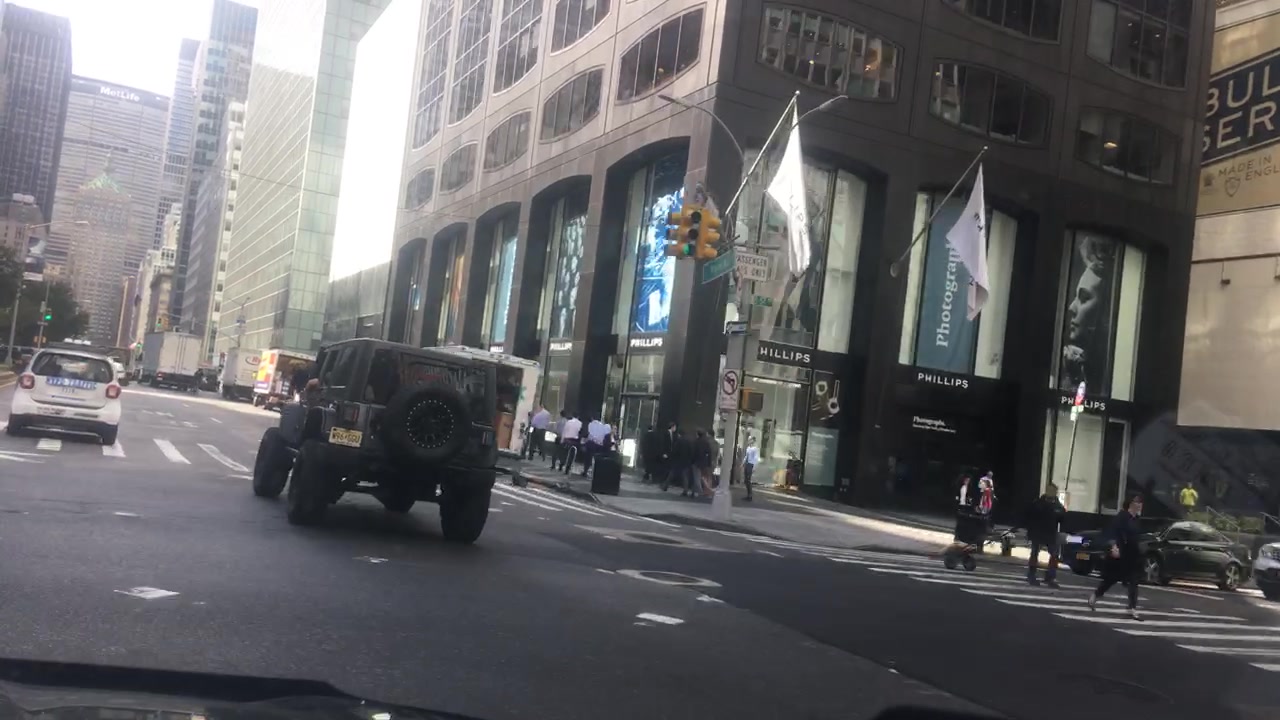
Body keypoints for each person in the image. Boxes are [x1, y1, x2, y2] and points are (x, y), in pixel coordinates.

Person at [1089, 494, 1145, 620]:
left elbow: (1137, 536)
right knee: (1111, 579)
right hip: (1120, 554)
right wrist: (1114, 546)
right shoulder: (1122, 517)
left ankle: (1132, 608)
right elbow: (1112, 532)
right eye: (1137, 502)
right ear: (1130, 504)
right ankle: (1096, 595)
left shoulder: (1137, 519)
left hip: (1132, 556)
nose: (1140, 505)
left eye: (1141, 502)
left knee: (1133, 581)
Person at [1024, 483, 1065, 587]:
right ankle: (1031, 575)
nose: (1051, 493)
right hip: (1037, 532)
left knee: (1054, 555)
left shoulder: (1058, 506)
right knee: (1034, 553)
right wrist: (1029, 532)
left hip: (1051, 534)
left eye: (1053, 491)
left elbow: (1062, 519)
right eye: (1049, 490)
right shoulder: (1038, 503)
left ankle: (1050, 577)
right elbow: (1029, 517)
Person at [693, 429, 715, 497]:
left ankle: (701, 491)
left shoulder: (696, 442)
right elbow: (709, 453)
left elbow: (694, 452)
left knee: (697, 477)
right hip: (705, 462)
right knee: (705, 477)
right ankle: (707, 490)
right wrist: (709, 462)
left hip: (696, 462)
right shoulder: (707, 442)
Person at [742, 437, 759, 502]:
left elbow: (756, 458)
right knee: (746, 480)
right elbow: (746, 456)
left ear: (753, 441)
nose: (749, 441)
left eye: (750, 440)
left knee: (748, 480)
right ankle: (748, 494)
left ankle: (750, 495)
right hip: (747, 464)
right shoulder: (748, 448)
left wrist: (754, 467)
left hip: (751, 464)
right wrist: (743, 463)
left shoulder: (755, 449)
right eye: (748, 439)